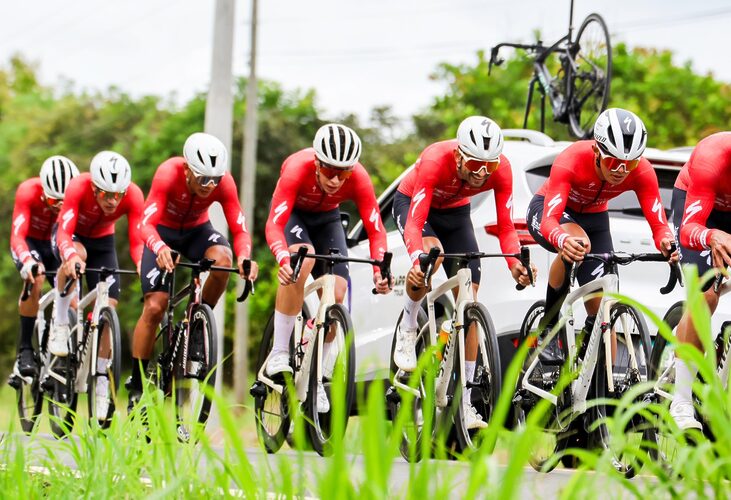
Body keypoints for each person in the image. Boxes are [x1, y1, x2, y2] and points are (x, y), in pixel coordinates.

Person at [392, 115, 536, 430]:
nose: (481, 174)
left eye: (489, 167)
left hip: (456, 213)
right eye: (474, 166)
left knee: (469, 303)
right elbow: (415, 224)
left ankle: (467, 402)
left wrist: (515, 264)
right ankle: (407, 325)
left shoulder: (502, 170)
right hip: (417, 208)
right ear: (458, 155)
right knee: (433, 256)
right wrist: (418, 263)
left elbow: (506, 226)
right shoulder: (434, 160)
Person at [526, 108, 677, 364]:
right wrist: (563, 241)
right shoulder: (571, 159)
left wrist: (666, 242)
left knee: (604, 310)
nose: (620, 170)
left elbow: (659, 224)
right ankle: (547, 330)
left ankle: (593, 380)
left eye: (629, 163)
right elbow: (551, 220)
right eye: (613, 161)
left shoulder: (641, 171)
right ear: (597, 150)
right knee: (578, 243)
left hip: (595, 218)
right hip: (549, 209)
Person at [264, 123, 390, 413]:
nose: (336, 180)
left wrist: (379, 269)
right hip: (295, 215)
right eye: (330, 171)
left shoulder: (358, 178)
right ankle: (280, 350)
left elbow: (376, 230)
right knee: (303, 258)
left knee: (339, 292)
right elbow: (274, 224)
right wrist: (283, 257)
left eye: (343, 173)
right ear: (317, 163)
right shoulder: (297, 168)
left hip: (327, 220)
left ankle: (316, 377)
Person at [129, 132, 258, 410]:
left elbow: (239, 228)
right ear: (187, 169)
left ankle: (197, 327)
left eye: (215, 180)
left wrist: (245, 256)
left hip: (197, 232)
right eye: (202, 179)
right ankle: (137, 386)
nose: (209, 186)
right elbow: (145, 224)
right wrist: (159, 247)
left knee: (224, 259)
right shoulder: (168, 174)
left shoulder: (223, 182)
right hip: (161, 233)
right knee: (155, 307)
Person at [53, 151, 144, 417]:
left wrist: (141, 263)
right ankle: (61, 322)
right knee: (77, 257)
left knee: (109, 305)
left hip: (103, 242)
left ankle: (102, 380)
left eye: (118, 195)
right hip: (74, 237)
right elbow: (64, 232)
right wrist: (69, 256)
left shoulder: (134, 196)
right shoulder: (78, 187)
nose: (113, 201)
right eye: (106, 194)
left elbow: (138, 241)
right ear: (94, 187)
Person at [671, 131, 731, 430]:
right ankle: (680, 401)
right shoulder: (713, 156)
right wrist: (711, 235)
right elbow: (688, 229)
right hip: (699, 211)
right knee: (707, 292)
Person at [10, 156, 79, 378]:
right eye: (53, 202)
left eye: (64, 202)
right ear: (43, 193)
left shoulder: (78, 195)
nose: (59, 208)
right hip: (30, 243)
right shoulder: (28, 191)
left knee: (75, 299)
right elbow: (17, 236)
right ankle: (25, 349)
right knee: (36, 278)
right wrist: (28, 262)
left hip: (56, 243)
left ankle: (62, 349)